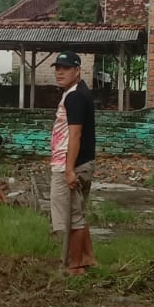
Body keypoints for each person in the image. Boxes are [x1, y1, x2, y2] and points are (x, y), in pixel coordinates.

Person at [50, 51, 96, 273]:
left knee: (71, 217)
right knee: (78, 213)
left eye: (65, 68)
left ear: (77, 70)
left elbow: (75, 134)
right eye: (58, 67)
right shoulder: (79, 92)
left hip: (70, 165)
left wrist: (69, 170)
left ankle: (75, 267)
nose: (60, 72)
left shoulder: (75, 96)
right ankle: (87, 258)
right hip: (81, 163)